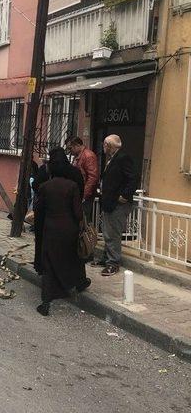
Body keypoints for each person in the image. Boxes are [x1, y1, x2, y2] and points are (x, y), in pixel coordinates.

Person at [33, 158, 90, 316]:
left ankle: (45, 302)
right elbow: (78, 213)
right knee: (69, 258)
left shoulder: (45, 187)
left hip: (50, 229)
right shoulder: (72, 186)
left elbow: (39, 209)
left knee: (49, 263)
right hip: (69, 230)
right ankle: (68, 286)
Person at [97, 134, 138, 276]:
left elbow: (132, 178)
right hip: (110, 202)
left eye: (105, 145)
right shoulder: (113, 158)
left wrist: (125, 196)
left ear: (109, 145)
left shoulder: (122, 158)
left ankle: (113, 263)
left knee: (113, 234)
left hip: (117, 204)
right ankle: (106, 258)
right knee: (107, 231)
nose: (103, 147)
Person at [67, 137, 99, 222]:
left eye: (70, 148)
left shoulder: (88, 156)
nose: (70, 151)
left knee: (83, 219)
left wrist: (84, 194)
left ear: (77, 145)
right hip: (79, 192)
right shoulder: (78, 156)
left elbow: (92, 177)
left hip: (84, 194)